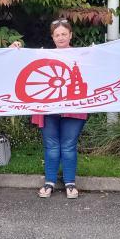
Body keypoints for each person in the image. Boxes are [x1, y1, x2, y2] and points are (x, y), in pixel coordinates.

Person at [33, 19, 87, 199]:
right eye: (57, 35)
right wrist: (16, 50)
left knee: (69, 145)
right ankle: (49, 182)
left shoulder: (83, 55)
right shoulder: (44, 55)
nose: (61, 37)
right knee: (51, 146)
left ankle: (70, 182)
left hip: (73, 106)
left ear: (70, 35)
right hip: (48, 108)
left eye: (64, 34)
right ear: (52, 37)